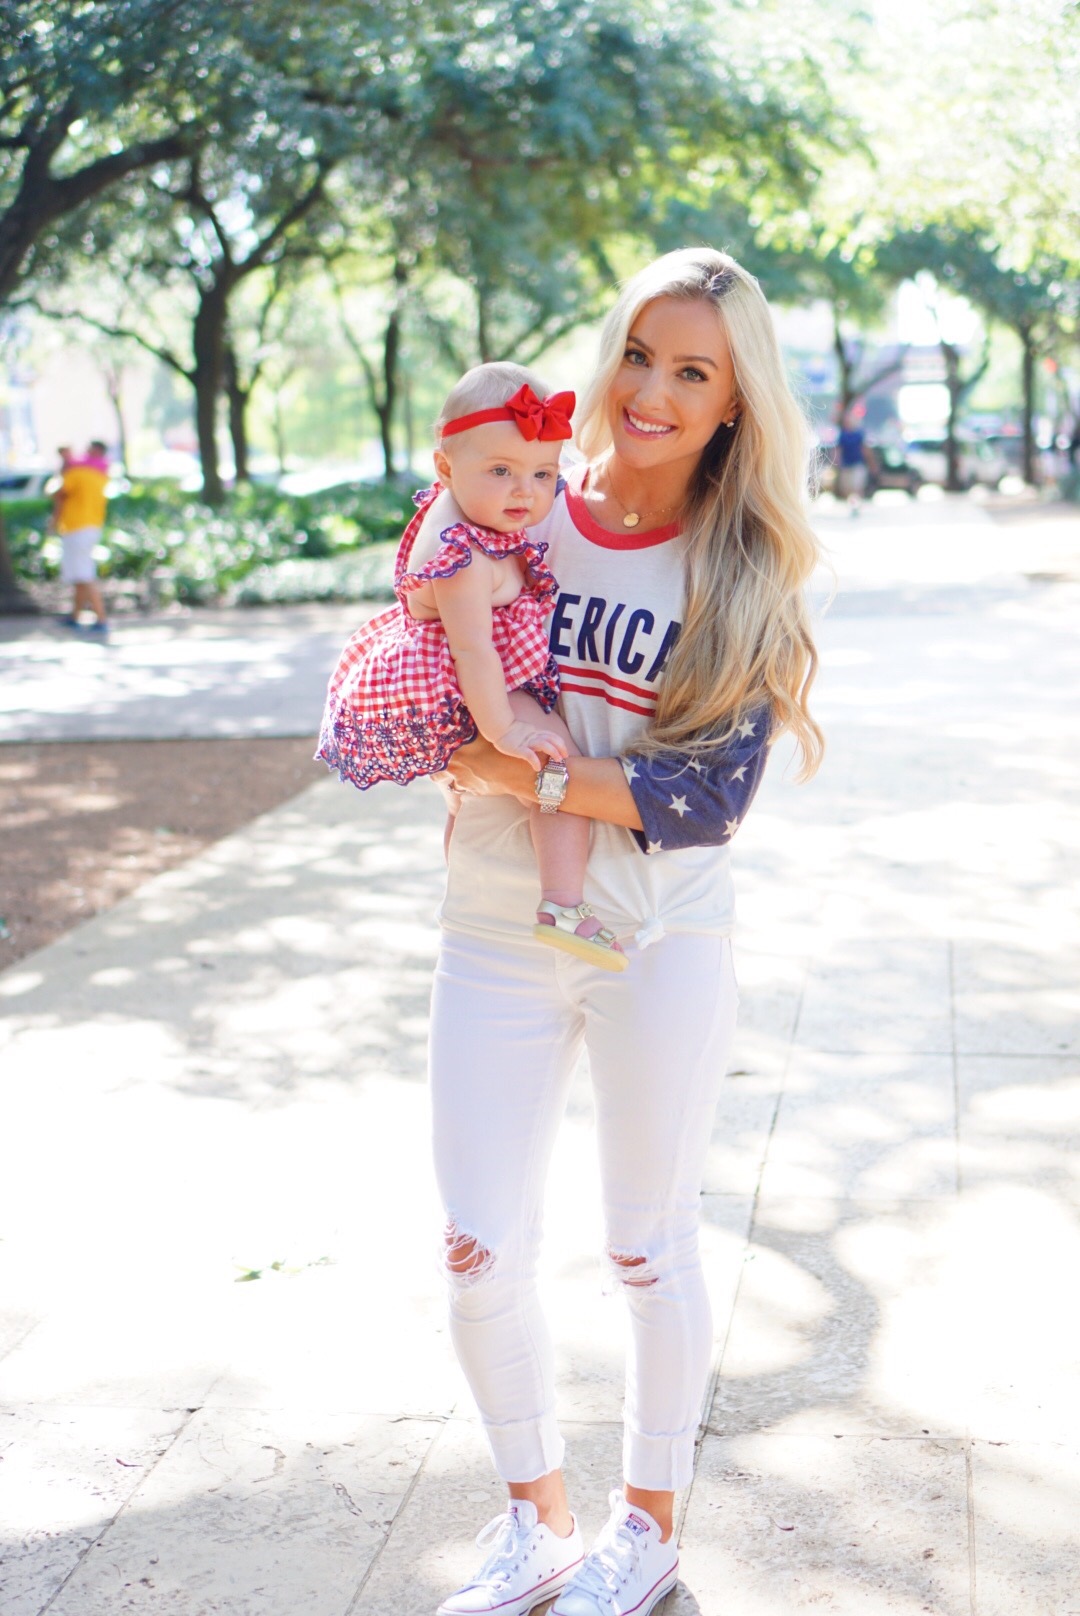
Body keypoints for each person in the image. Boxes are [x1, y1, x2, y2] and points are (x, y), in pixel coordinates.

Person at [427, 248, 823, 1616]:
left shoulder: (745, 561)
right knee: (476, 1248)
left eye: (693, 372)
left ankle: (644, 1531)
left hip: (658, 941)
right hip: (495, 928)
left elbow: (702, 796)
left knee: (648, 1247)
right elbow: (428, 676)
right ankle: (537, 1522)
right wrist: (464, 736)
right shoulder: (519, 509)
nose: (652, 390)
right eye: (640, 354)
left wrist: (523, 771)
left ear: (733, 405)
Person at [317, 363, 625, 968]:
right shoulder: (461, 553)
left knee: (459, 797)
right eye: (502, 471)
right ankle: (563, 904)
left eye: (542, 473)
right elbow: (472, 652)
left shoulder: (468, 512)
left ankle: (461, 875)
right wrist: (508, 731)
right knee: (556, 766)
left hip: (471, 672)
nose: (525, 492)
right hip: (462, 683)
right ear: (445, 467)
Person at [52, 440, 110, 633]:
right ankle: (75, 616)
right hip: (92, 526)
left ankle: (101, 618)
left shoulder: (75, 473)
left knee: (84, 574)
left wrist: (54, 521)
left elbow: (58, 495)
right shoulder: (100, 474)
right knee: (79, 574)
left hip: (76, 527)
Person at [835, 409, 871, 514]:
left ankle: (857, 505)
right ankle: (852, 504)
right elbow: (838, 450)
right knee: (847, 488)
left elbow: (864, 449)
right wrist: (837, 462)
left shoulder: (859, 434)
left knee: (857, 486)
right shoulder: (842, 435)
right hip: (846, 465)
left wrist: (870, 463)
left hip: (857, 464)